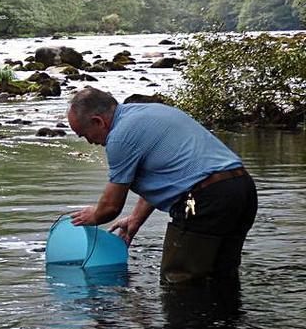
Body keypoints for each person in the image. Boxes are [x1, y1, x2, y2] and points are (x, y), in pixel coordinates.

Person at [67, 87, 257, 285]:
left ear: (98, 121)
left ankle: (187, 316)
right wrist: (135, 220)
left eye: (84, 134)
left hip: (205, 199)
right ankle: (226, 316)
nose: (88, 141)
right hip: (242, 189)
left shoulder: (120, 136)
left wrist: (93, 216)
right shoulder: (151, 112)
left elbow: (110, 208)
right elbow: (167, 176)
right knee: (220, 276)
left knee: (178, 282)